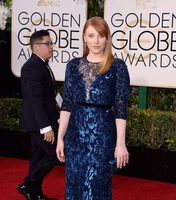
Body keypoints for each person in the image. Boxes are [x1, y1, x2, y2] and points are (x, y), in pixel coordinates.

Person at [56, 16, 130, 199]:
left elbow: (121, 106)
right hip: (75, 135)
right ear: (84, 38)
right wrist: (60, 137)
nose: (96, 41)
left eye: (100, 36)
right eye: (91, 35)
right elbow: (67, 103)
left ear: (107, 38)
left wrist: (120, 143)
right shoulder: (73, 66)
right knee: (75, 181)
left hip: (102, 136)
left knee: (96, 183)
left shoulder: (117, 67)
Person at [18, 29, 59, 200]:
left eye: (51, 43)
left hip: (42, 121)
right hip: (39, 124)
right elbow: (35, 100)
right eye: (47, 44)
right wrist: (46, 127)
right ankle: (28, 184)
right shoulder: (32, 67)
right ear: (36, 47)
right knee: (54, 155)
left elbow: (50, 95)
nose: (51, 47)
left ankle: (34, 193)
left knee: (38, 157)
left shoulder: (42, 64)